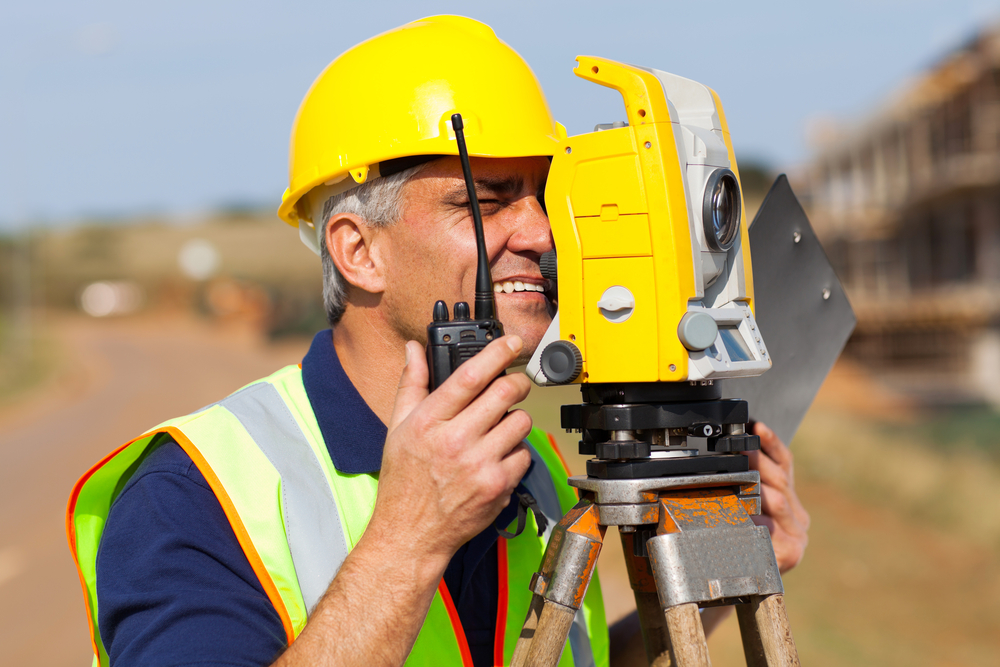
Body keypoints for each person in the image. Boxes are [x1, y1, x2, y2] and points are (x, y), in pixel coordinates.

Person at [67, 15, 809, 667]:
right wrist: (407, 542)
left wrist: (713, 586)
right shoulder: (193, 495)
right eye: (482, 203)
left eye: (540, 196)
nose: (540, 234)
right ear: (358, 250)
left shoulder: (533, 470)